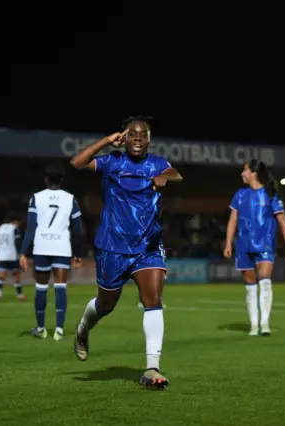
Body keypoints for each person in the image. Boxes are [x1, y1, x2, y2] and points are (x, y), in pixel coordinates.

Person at [69, 116, 183, 390]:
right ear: (125, 136)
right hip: (113, 246)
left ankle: (152, 367)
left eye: (143, 135)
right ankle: (84, 328)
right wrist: (107, 141)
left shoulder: (157, 163)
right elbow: (77, 163)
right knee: (106, 304)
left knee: (153, 299)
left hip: (148, 246)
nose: (138, 139)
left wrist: (164, 177)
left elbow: (176, 174)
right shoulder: (112, 161)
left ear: (149, 139)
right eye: (133, 134)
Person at [223, 160, 285, 336]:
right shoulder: (240, 194)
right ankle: (254, 326)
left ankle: (265, 324)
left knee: (264, 281)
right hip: (243, 245)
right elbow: (232, 219)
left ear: (253, 173)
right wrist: (227, 242)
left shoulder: (271, 195)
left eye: (245, 170)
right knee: (250, 285)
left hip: (265, 244)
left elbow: (283, 222)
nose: (242, 174)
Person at [19, 164, 85, 341]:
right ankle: (59, 330)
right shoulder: (70, 199)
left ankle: (41, 329)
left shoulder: (36, 198)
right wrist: (79, 253)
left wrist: (23, 252)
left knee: (41, 288)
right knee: (60, 287)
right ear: (62, 180)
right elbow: (78, 230)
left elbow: (31, 227)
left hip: (42, 246)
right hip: (62, 247)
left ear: (45, 179)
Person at [0, 212, 26, 301]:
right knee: (16, 275)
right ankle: (19, 295)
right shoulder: (14, 229)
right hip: (12, 255)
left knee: (1, 276)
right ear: (15, 221)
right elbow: (17, 242)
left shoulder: (0, 228)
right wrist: (21, 253)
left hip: (1, 254)